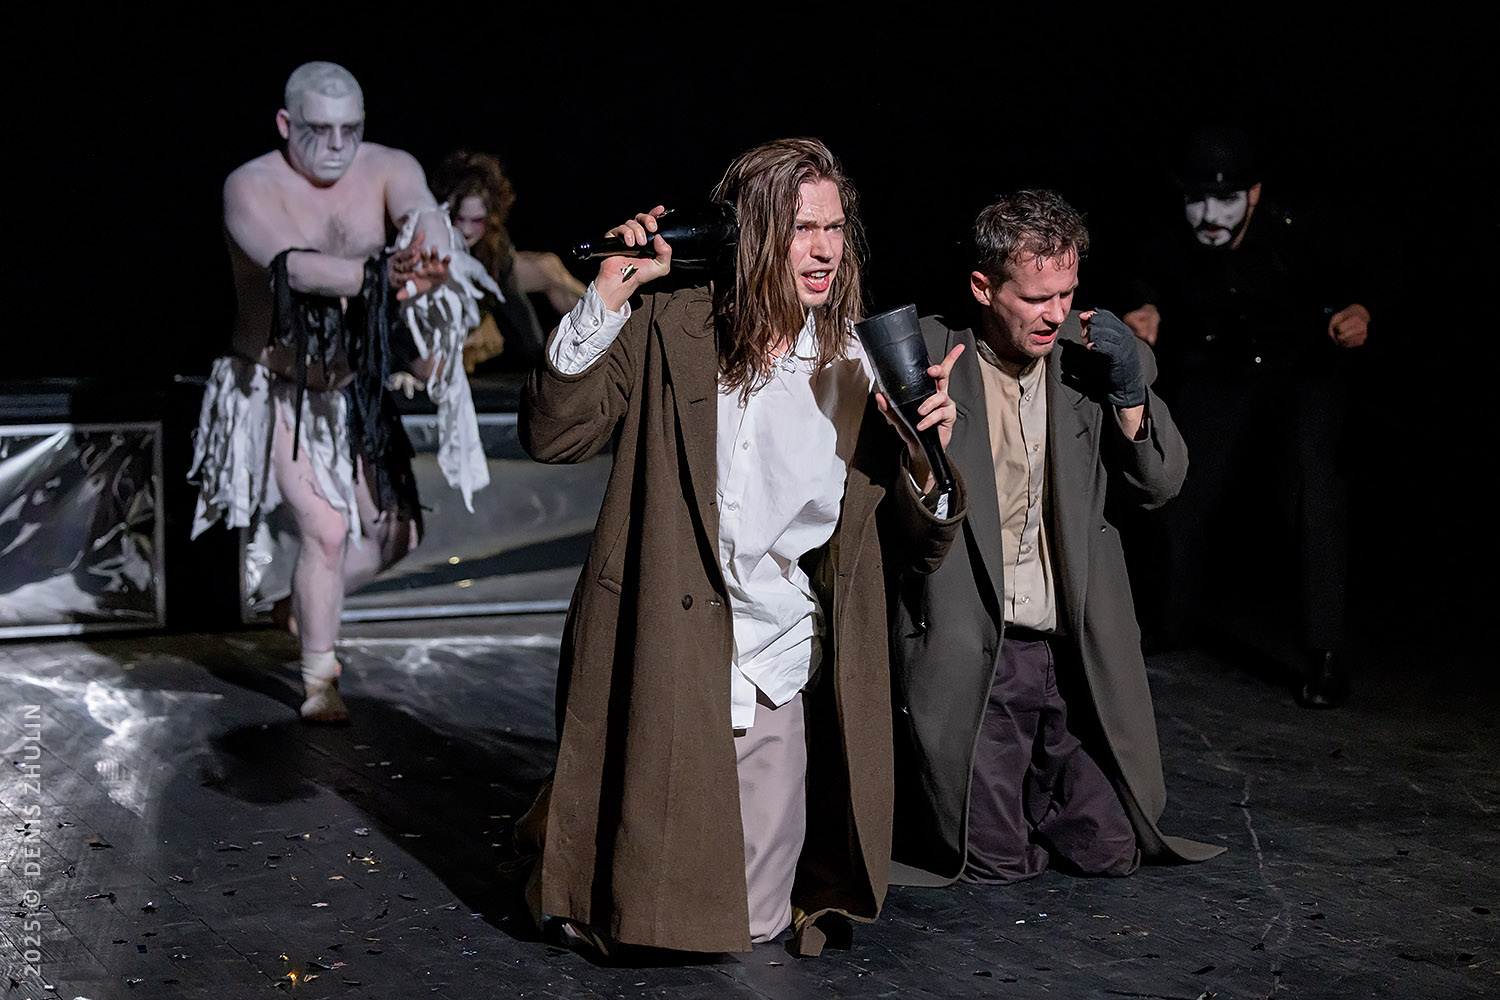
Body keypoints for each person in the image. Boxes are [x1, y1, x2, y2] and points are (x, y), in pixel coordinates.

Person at [516, 138, 967, 955]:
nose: (825, 249)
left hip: (772, 655)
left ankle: (574, 820)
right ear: (753, 234)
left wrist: (922, 458)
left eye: (835, 227)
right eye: (802, 229)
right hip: (662, 644)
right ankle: (573, 826)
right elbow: (554, 434)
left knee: (750, 924)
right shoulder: (671, 325)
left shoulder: (851, 367)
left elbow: (915, 543)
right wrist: (607, 298)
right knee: (647, 924)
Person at [888, 190, 1223, 888]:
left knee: (1114, 850)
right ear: (983, 287)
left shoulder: (1087, 356)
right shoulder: (927, 356)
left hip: (1071, 650)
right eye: (1037, 298)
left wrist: (1128, 395)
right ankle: (1001, 803)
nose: (1056, 313)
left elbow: (1161, 484)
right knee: (995, 861)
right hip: (981, 649)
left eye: (1067, 293)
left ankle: (1033, 793)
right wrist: (921, 452)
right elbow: (897, 532)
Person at [189, 61, 493, 722]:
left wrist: (429, 247)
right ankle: (319, 679)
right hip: (277, 386)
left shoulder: (387, 166)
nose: (336, 146)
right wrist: (389, 275)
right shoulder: (251, 184)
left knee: (398, 533)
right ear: (284, 124)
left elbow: (422, 214)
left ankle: (298, 605)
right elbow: (295, 270)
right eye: (318, 130)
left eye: (349, 130)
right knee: (326, 531)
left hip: (352, 386)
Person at [1119, 126, 1371, 708]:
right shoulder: (1173, 236)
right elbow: (1143, 273)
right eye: (1197, 199)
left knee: (1314, 491)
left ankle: (1325, 654)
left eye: (1226, 199)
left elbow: (1368, 269)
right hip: (1220, 369)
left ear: (1253, 195)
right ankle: (1170, 621)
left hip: (1300, 370)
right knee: (1175, 480)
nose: (1209, 216)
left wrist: (1360, 310)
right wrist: (1145, 306)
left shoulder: (1298, 229)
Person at [435, 150, 586, 372]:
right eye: (460, 218)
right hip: (450, 324)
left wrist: (541, 365)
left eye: (476, 220)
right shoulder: (432, 236)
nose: (466, 230)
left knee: (548, 267)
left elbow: (516, 307)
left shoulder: (494, 243)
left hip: (483, 303)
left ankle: (610, 326)